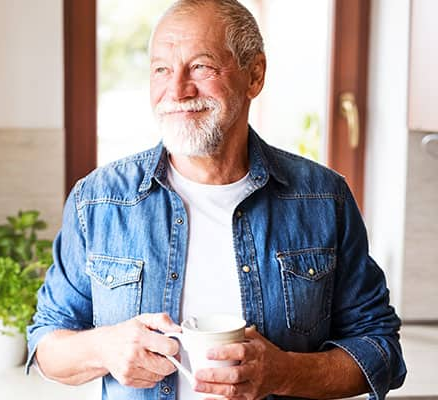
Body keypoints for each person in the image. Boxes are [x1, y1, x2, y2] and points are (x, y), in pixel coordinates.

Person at [26, 0, 407, 399]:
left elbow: (380, 350)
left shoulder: (323, 198)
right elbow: (47, 344)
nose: (177, 90)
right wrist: (102, 348)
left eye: (201, 67)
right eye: (161, 69)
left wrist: (283, 371)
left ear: (254, 75)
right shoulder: (99, 200)